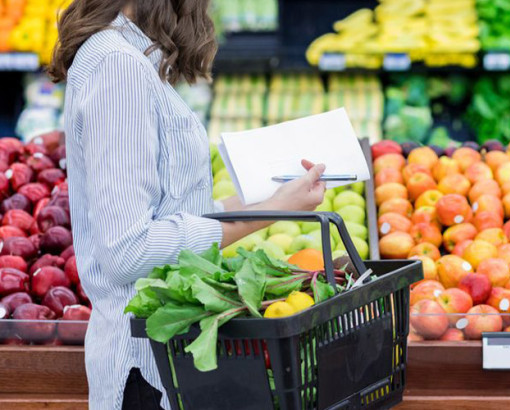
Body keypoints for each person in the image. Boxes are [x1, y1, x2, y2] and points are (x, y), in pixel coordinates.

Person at [48, 1, 325, 409]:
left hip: (168, 364)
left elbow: (169, 210)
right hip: (144, 373)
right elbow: (129, 249)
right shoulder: (117, 66)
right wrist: (265, 214)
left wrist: (275, 199)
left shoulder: (133, 58)